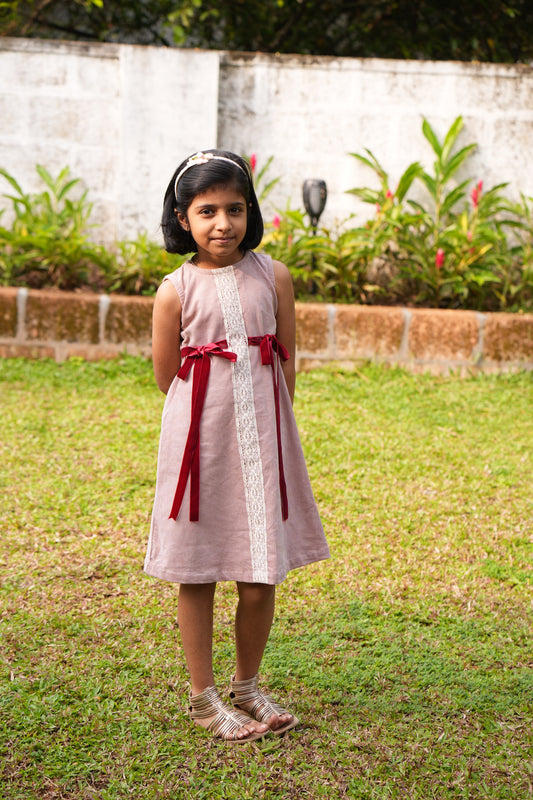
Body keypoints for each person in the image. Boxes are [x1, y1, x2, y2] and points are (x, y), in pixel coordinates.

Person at [144, 149, 330, 743]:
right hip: (200, 445)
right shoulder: (174, 290)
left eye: (234, 208)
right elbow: (165, 373)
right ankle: (204, 698)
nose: (222, 223)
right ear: (182, 218)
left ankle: (247, 685)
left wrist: (275, 427)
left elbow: (287, 359)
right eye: (206, 211)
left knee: (260, 572)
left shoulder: (274, 276)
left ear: (250, 211)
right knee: (197, 571)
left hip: (265, 440)